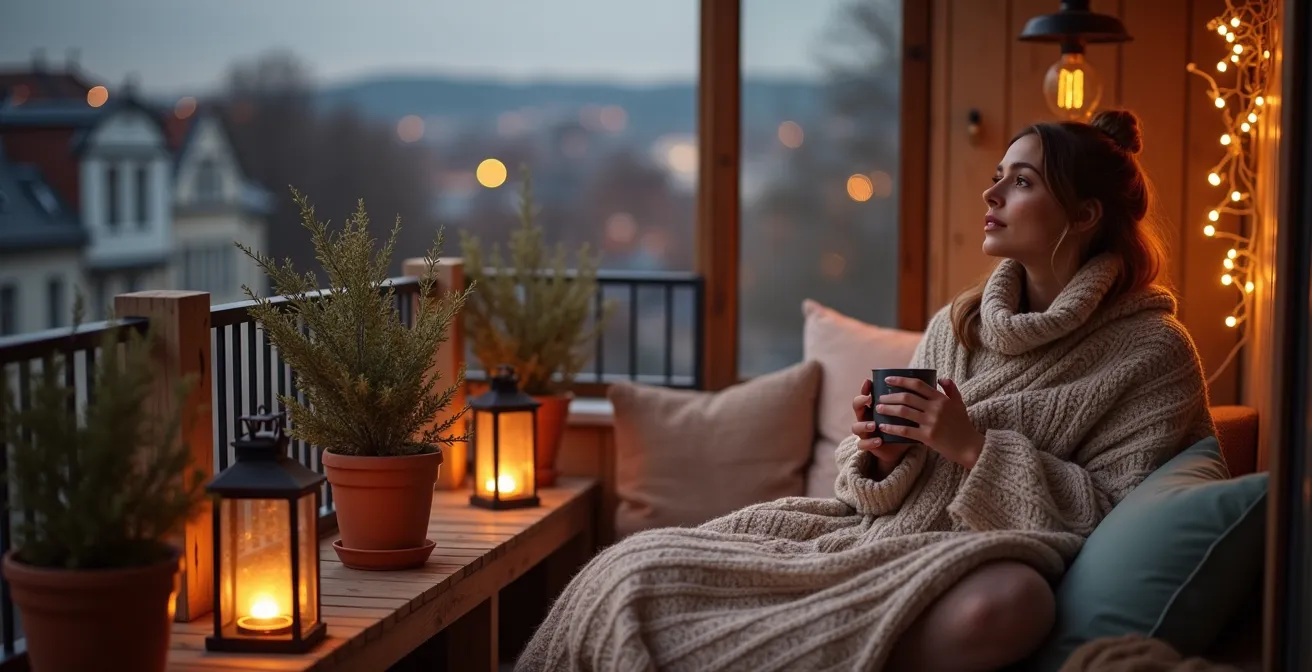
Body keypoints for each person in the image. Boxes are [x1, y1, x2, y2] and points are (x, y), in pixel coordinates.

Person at [515, 109, 1215, 672]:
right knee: (636, 568)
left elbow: (1110, 513)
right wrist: (880, 452)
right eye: (998, 175)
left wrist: (972, 447)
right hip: (873, 536)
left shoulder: (1151, 353)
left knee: (1012, 604)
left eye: (1022, 182)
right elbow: (863, 495)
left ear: (1086, 215)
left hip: (980, 557)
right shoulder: (958, 324)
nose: (992, 194)